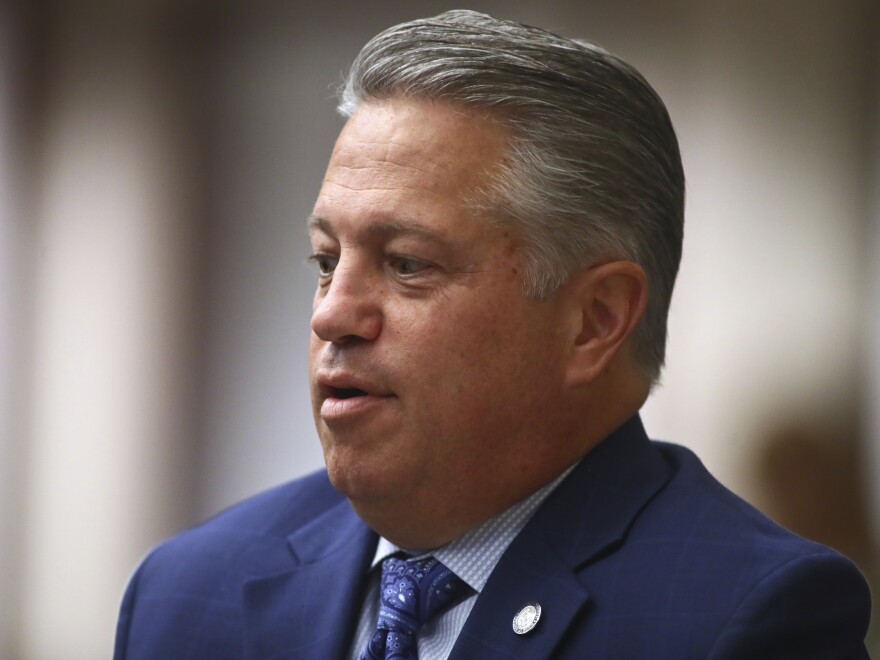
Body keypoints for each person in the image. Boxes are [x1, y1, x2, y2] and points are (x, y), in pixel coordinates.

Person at [114, 10, 871, 659]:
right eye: (325, 260)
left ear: (595, 321)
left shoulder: (744, 617)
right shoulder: (188, 592)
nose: (331, 315)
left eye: (407, 264)